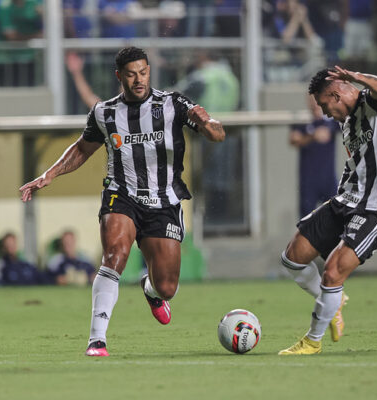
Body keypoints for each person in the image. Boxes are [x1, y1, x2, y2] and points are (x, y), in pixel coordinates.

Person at [20, 46, 225, 357]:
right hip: (122, 194)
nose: (139, 79)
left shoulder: (172, 103)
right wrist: (49, 175)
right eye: (131, 74)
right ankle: (97, 340)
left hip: (164, 200)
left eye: (143, 72)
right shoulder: (104, 112)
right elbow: (81, 149)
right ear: (119, 76)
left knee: (167, 286)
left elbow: (217, 135)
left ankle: (151, 290)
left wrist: (208, 123)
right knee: (114, 255)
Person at [278, 66, 377, 355]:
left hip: (376, 207)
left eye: (324, 105)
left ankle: (312, 341)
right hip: (345, 200)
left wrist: (357, 77)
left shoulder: (375, 105)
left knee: (333, 271)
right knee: (292, 258)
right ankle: (334, 303)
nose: (324, 113)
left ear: (336, 94)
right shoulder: (346, 122)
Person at [289, 94, 339, 218]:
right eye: (313, 100)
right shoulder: (302, 120)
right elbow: (294, 139)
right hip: (308, 179)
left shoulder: (331, 120)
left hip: (328, 178)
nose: (315, 104)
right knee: (306, 219)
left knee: (336, 216)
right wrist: (312, 136)